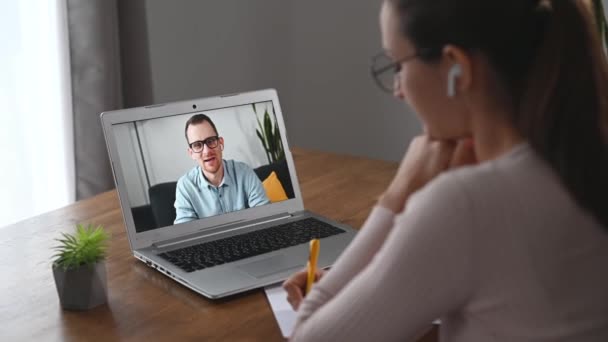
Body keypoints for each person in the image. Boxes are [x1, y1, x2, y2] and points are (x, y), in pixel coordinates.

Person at [284, 0, 608, 341]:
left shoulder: (468, 204)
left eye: (398, 65)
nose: (398, 90)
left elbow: (310, 336)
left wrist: (398, 195)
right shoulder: (581, 160)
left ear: (457, 69)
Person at [174, 114, 270, 224]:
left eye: (210, 141)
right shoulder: (185, 187)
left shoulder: (244, 172)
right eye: (197, 145)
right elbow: (185, 234)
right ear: (191, 153)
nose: (206, 151)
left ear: (220, 143)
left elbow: (266, 217)